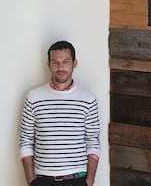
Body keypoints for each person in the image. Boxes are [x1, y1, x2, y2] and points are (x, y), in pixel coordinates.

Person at [19, 40, 100, 186]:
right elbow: (26, 140)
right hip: (43, 180)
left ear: (75, 63)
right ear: (48, 64)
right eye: (55, 62)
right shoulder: (33, 97)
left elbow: (93, 141)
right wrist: (32, 182)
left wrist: (89, 182)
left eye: (66, 62)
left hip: (77, 179)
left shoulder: (88, 98)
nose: (60, 67)